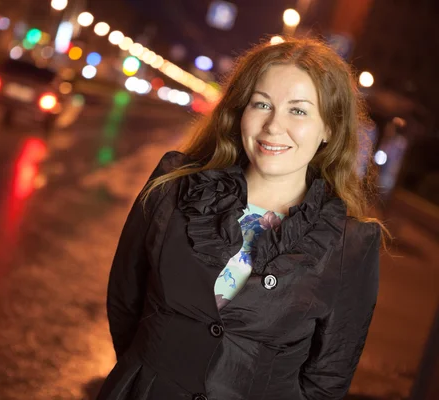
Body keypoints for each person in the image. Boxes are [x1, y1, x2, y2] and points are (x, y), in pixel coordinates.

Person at [98, 37, 386, 400]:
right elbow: (124, 301)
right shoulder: (174, 186)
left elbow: (327, 380)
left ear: (329, 127)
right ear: (240, 111)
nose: (273, 126)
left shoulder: (351, 244)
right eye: (262, 104)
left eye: (298, 110)